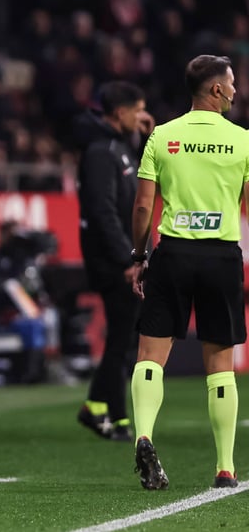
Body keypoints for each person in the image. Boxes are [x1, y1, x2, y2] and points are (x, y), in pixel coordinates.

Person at [130, 55, 249, 490]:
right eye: (231, 83)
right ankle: (225, 468)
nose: (235, 90)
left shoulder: (162, 136)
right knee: (220, 367)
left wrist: (139, 255)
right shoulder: (243, 140)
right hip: (220, 256)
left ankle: (144, 435)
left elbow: (143, 206)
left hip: (173, 254)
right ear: (216, 89)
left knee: (150, 357)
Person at [73, 81, 154, 442]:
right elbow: (102, 211)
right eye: (138, 110)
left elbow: (136, 182)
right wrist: (127, 258)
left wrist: (144, 138)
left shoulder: (117, 147)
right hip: (113, 261)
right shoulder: (100, 152)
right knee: (122, 338)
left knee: (123, 338)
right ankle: (102, 410)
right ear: (120, 113)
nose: (142, 116)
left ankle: (110, 414)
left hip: (123, 257)